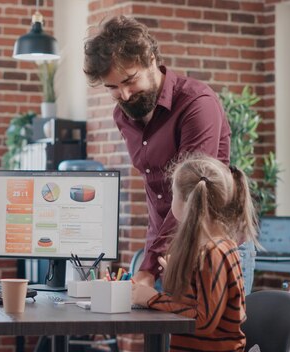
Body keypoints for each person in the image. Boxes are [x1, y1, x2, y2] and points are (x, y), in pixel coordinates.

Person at [83, 16, 232, 288]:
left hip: (207, 249)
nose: (124, 95)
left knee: (202, 331)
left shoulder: (196, 105)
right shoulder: (123, 116)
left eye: (130, 80)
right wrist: (151, 258)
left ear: (151, 59)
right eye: (112, 87)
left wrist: (149, 265)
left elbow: (191, 196)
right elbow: (157, 195)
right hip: (162, 250)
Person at [131, 154, 258, 351]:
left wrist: (152, 298)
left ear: (187, 204)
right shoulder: (217, 249)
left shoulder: (214, 253)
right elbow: (197, 304)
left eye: (173, 195)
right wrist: (181, 275)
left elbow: (203, 321)